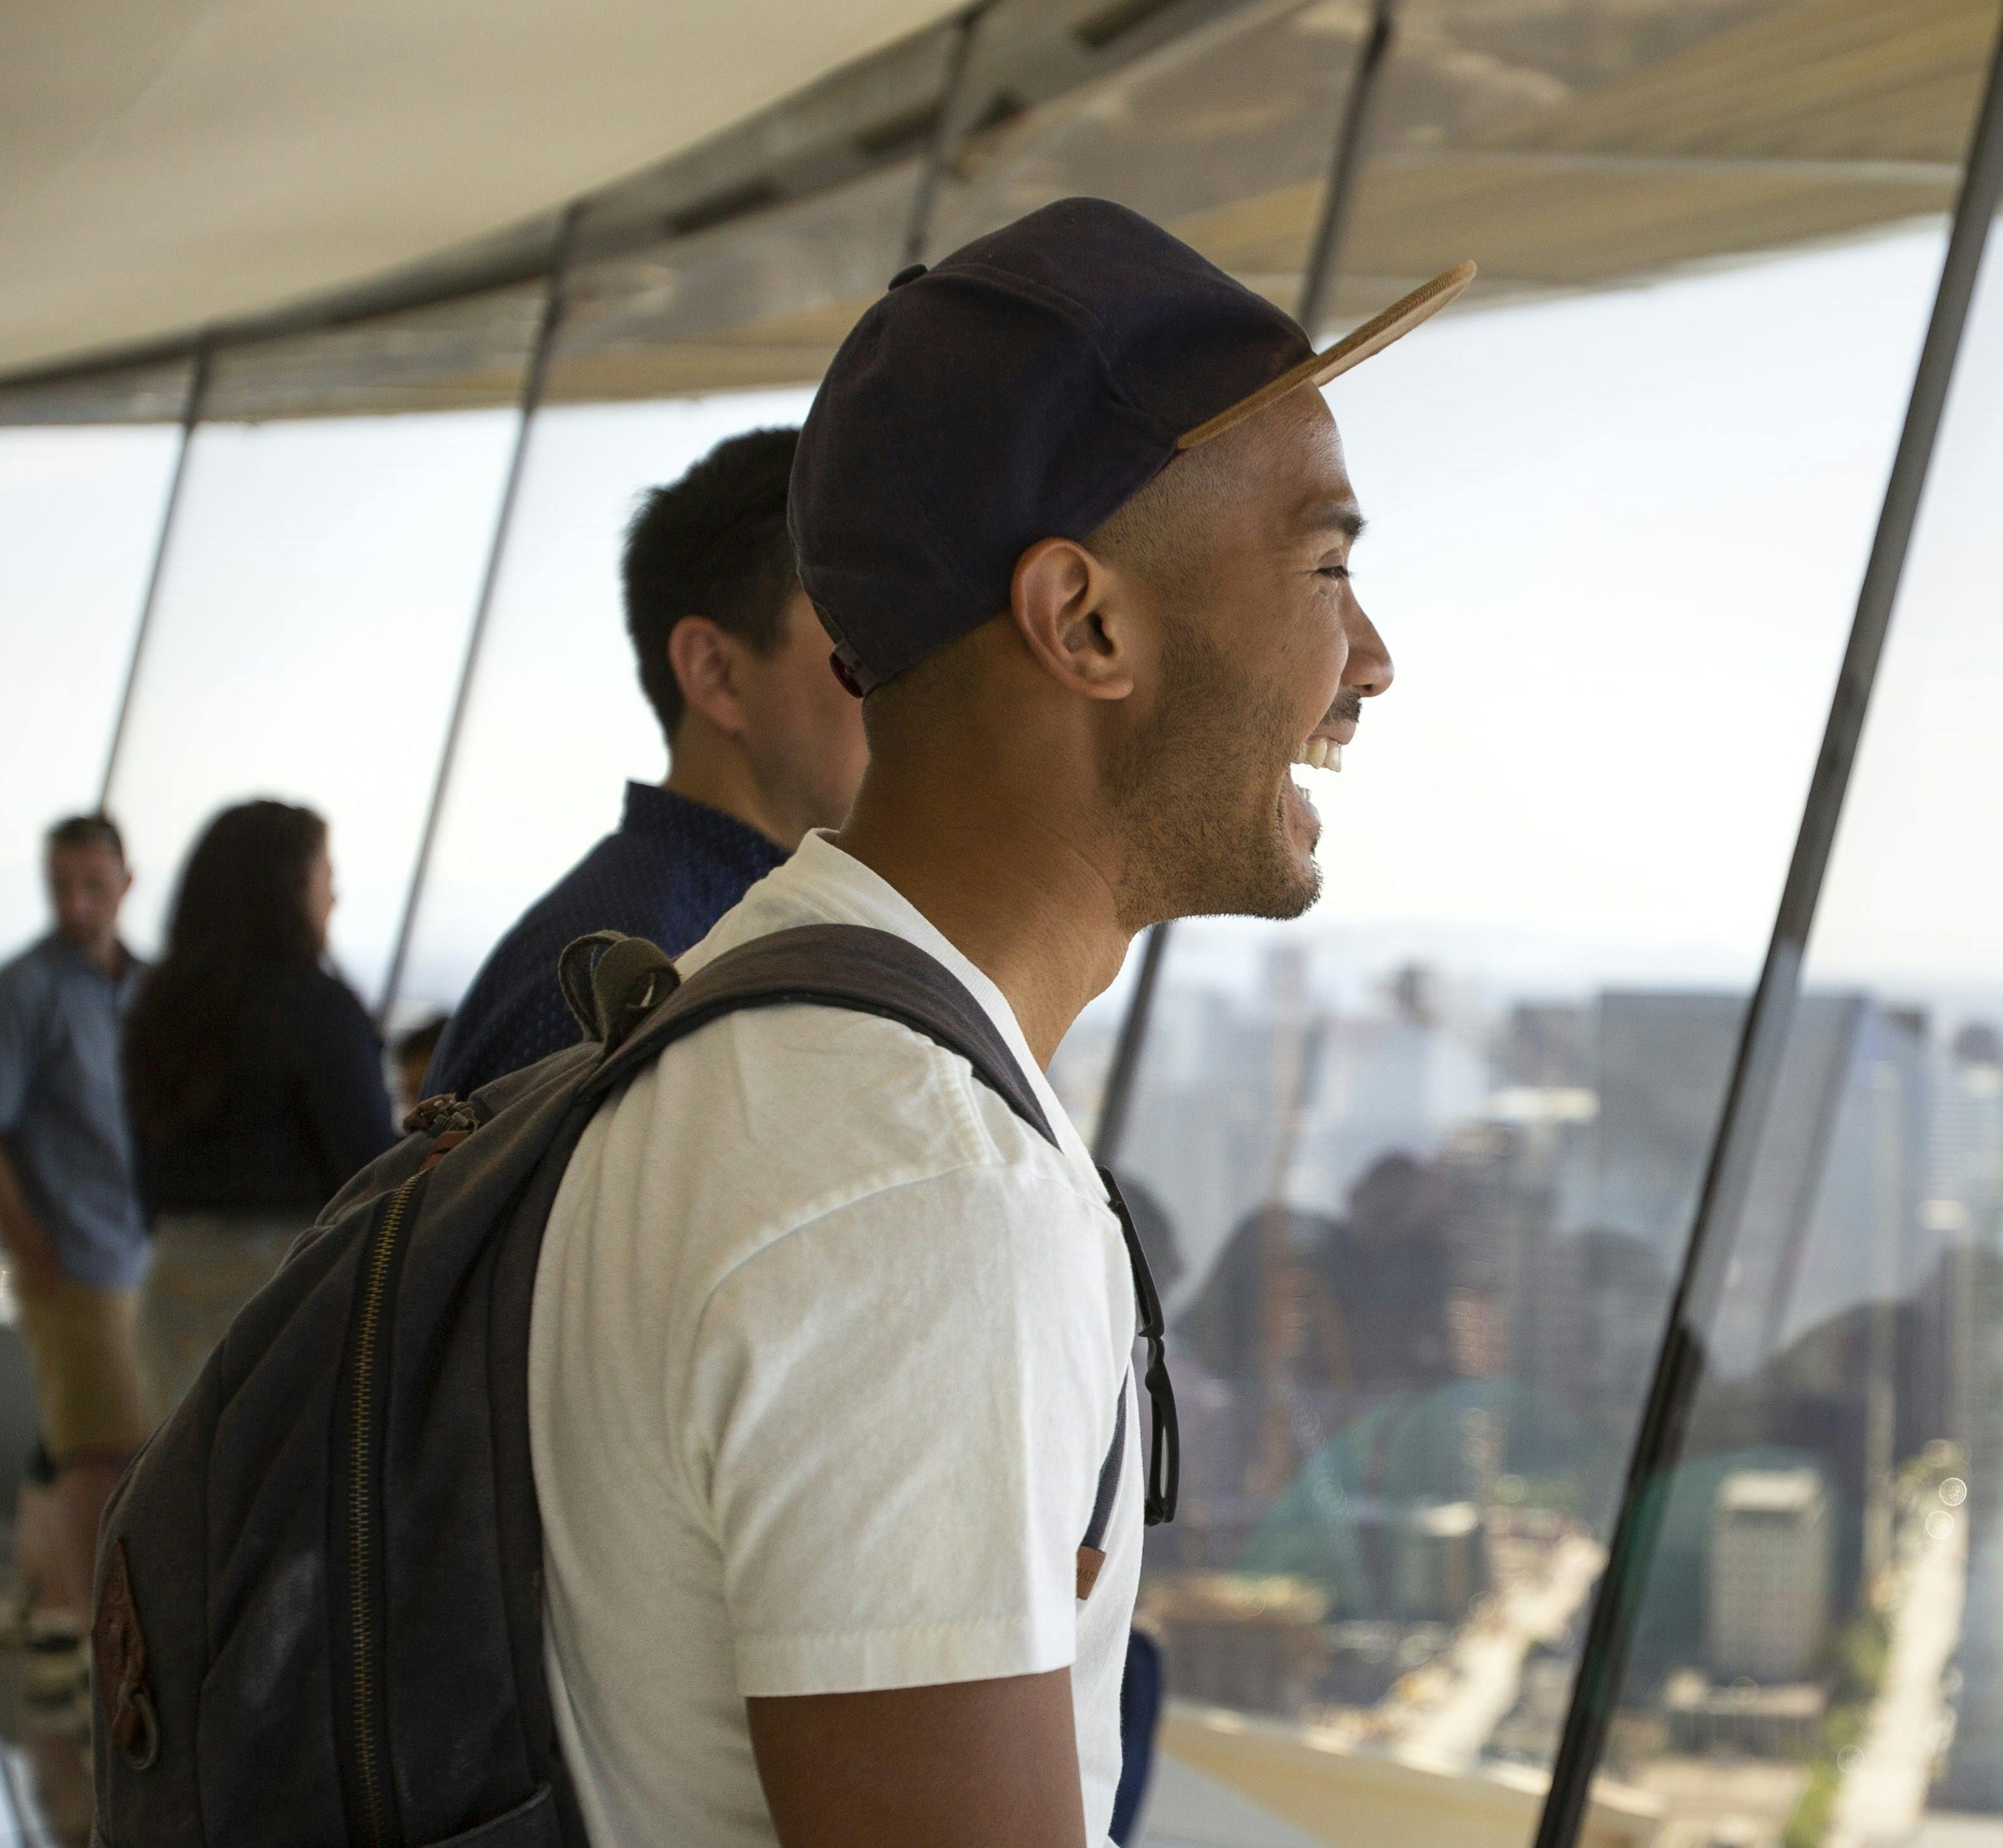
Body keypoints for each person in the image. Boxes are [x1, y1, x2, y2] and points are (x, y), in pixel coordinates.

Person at [524, 196, 1455, 1848]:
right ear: (1084, 620)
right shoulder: (918, 1188)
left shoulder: (752, 1026)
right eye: (1326, 565)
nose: (1369, 659)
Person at [417, 427, 867, 1100]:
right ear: (717, 674)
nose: (910, 675)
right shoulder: (626, 975)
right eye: (860, 627)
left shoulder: (715, 931)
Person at [0, 814, 148, 1678]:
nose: (75, 902)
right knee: (98, 1450)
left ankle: (45, 1599)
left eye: (93, 884)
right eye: (60, 884)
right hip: (75, 1256)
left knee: (85, 1435)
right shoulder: (18, 995)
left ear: (126, 883)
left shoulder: (148, 988)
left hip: (141, 1251)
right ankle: (85, 1635)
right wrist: (30, 1248)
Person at [119, 799, 398, 1412]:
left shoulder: (160, 1005)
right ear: (288, 889)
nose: (335, 895)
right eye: (325, 875)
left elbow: (144, 1172)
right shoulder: (317, 1009)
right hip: (280, 1301)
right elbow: (369, 1172)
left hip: (172, 1291)